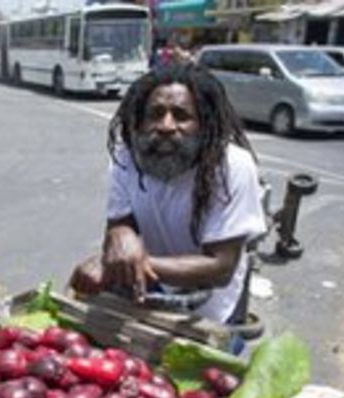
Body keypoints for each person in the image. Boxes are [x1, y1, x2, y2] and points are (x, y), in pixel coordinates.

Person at [68, 63, 266, 325]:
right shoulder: (126, 156)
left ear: (204, 124)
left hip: (206, 307)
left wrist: (119, 264)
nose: (166, 125)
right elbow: (119, 223)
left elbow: (221, 268)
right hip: (146, 289)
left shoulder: (231, 166)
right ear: (140, 119)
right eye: (156, 113)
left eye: (181, 116)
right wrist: (121, 239)